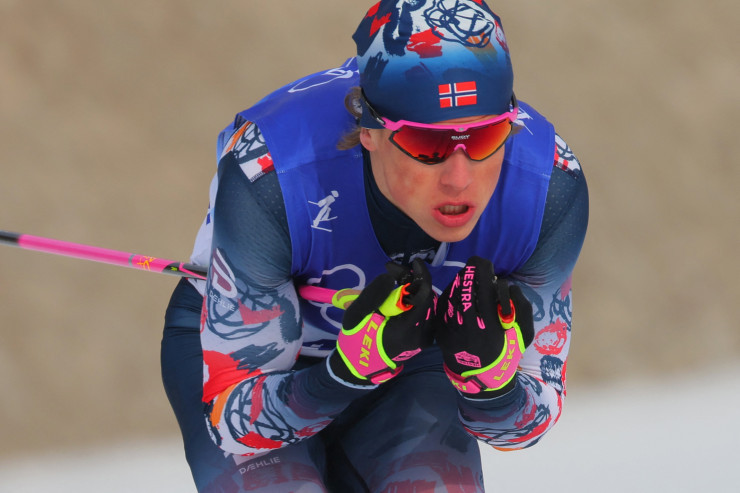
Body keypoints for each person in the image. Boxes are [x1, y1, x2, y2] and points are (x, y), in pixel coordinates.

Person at [161, 1, 588, 491]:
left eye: (487, 137)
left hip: (409, 366)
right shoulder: (273, 176)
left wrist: (490, 385)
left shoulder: (548, 186)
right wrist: (343, 375)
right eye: (428, 146)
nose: (459, 178)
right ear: (369, 130)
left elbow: (528, 426)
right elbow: (238, 426)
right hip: (262, 371)